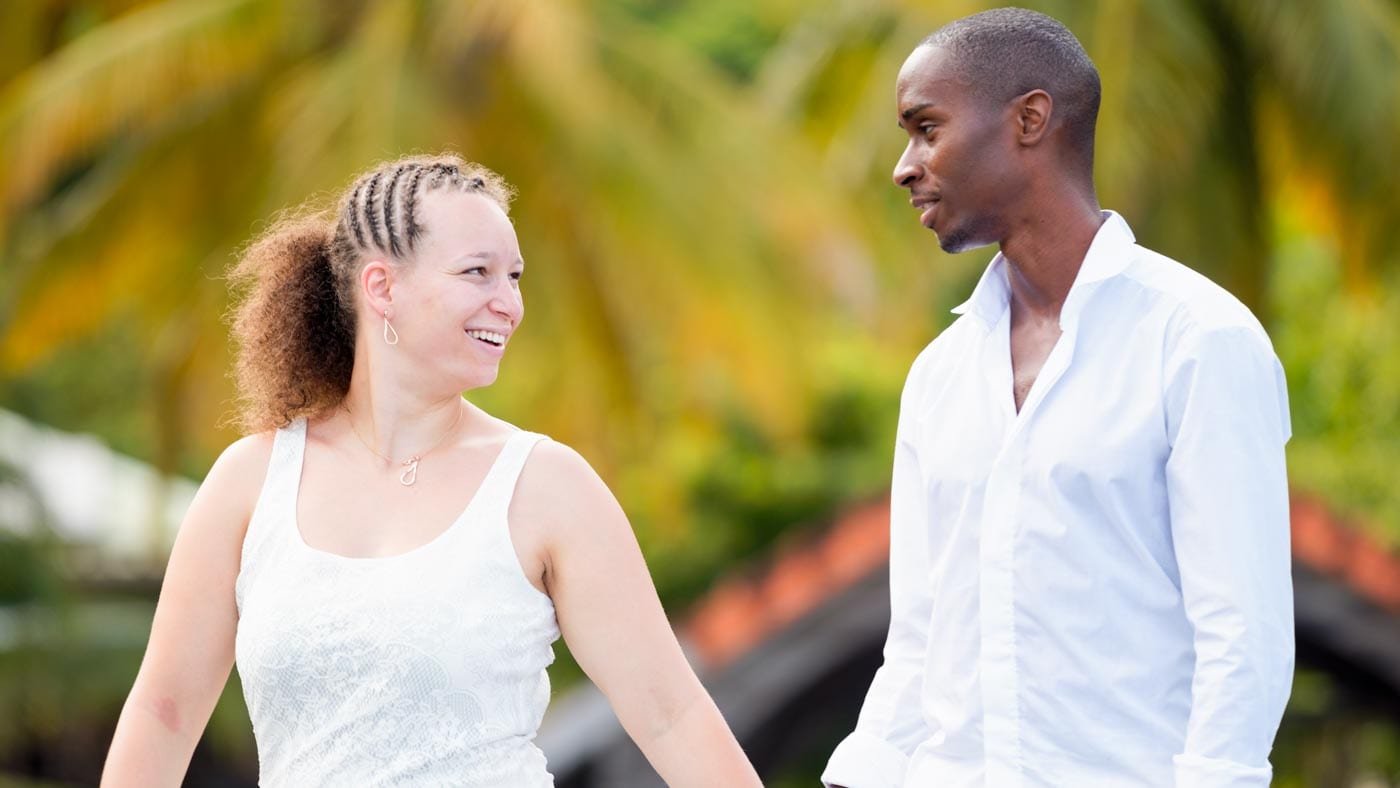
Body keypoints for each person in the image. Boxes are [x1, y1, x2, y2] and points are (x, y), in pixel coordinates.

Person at [101, 154, 762, 787]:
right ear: (382, 287)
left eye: (515, 276)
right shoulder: (251, 480)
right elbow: (165, 713)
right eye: (478, 272)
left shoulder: (546, 486)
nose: (509, 302)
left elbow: (671, 714)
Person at [823, 8, 1293, 788]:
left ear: (1030, 118)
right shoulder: (940, 376)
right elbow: (921, 639)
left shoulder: (1199, 340)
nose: (904, 166)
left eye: (926, 128)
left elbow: (1242, 635)